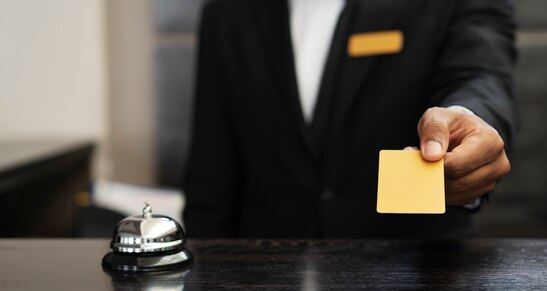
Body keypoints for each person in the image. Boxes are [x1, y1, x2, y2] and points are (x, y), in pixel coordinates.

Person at [184, 0, 516, 238]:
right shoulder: (225, 13)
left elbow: (479, 77)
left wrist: (464, 121)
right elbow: (210, 179)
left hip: (413, 281)